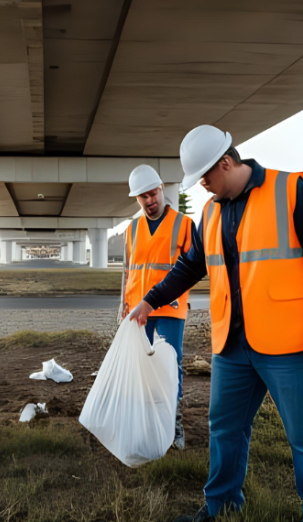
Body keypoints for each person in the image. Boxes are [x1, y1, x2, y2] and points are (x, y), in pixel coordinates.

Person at [130, 125, 303, 522]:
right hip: (233, 345)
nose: (203, 188)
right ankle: (222, 506)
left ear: (227, 163)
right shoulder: (212, 212)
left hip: (291, 344)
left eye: (206, 178)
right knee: (225, 430)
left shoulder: (290, 191)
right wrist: (151, 299)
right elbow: (191, 265)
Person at [122, 164, 194, 449]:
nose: (149, 201)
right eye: (143, 197)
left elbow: (191, 268)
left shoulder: (184, 225)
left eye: (153, 194)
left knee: (169, 365)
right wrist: (125, 305)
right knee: (142, 367)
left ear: (162, 189)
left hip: (170, 309)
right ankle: (147, 421)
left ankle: (172, 424)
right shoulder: (133, 228)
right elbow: (129, 271)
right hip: (138, 312)